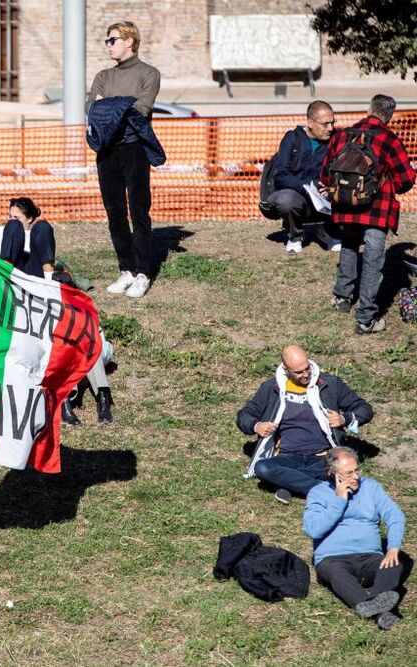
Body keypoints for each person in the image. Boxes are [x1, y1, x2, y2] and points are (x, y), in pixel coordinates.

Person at [0, 197, 114, 425]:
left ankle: (103, 397)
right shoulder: (7, 231)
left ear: (30, 218)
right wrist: (13, 227)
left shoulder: (38, 231)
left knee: (83, 340)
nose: (11, 219)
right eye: (10, 215)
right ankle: (64, 400)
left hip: (39, 281)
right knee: (13, 230)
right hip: (14, 278)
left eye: (17, 216)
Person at [321, 94, 416, 334]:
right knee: (373, 261)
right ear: (389, 115)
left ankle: (342, 298)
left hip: (345, 205)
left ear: (369, 109)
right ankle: (366, 319)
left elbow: (325, 174)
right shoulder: (390, 140)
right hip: (376, 209)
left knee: (349, 247)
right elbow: (406, 180)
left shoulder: (342, 135)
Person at [238, 345, 372, 504]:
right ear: (286, 370)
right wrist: (256, 425)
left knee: (340, 467)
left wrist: (345, 419)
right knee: (262, 468)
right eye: (299, 372)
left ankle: (287, 483)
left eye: (307, 368)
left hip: (324, 456)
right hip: (287, 455)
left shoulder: (329, 384)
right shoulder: (272, 387)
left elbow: (365, 409)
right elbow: (244, 415)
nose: (306, 374)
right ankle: (324, 491)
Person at [91, 21, 161, 299]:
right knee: (115, 213)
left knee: (139, 211)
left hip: (135, 149)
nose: (108, 45)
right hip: (107, 151)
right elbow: (93, 110)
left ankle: (143, 272)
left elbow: (141, 110)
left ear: (129, 41)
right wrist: (120, 105)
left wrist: (109, 105)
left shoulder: (149, 73)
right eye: (108, 41)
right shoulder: (103, 76)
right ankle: (127, 270)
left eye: (112, 40)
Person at [304, 447, 406, 630]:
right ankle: (379, 611)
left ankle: (373, 605)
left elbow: (395, 515)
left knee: (394, 564)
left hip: (369, 557)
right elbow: (313, 529)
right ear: (331, 473)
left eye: (357, 470)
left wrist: (393, 547)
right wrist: (339, 500)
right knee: (338, 575)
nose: (356, 476)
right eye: (349, 473)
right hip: (333, 559)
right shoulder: (318, 493)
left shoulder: (371, 488)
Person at [267, 100, 342, 254]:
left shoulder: (337, 139)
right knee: (286, 200)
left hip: (326, 197)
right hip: (299, 196)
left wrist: (330, 186)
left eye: (332, 123)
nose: (330, 128)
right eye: (325, 124)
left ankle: (329, 232)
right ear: (310, 122)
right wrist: (309, 187)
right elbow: (281, 176)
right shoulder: (291, 139)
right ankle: (295, 236)